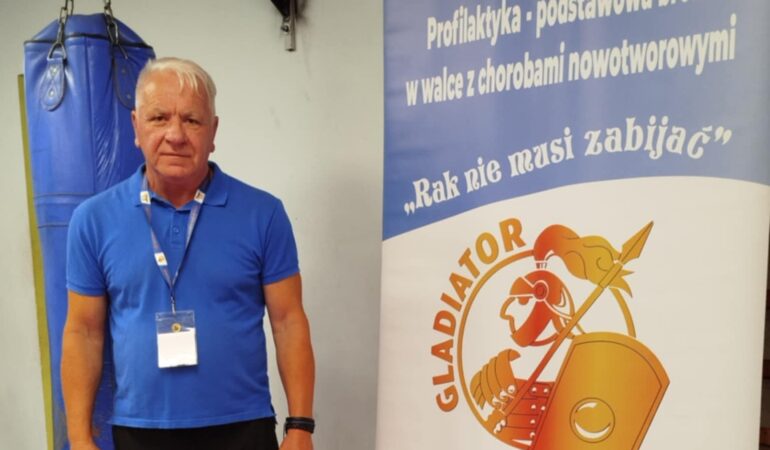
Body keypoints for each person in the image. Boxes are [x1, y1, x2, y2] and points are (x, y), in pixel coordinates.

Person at [61, 57, 315, 450]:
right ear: (136, 127)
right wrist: (79, 438)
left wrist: (300, 426)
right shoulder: (93, 220)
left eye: (192, 120)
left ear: (213, 132)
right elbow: (83, 332)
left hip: (243, 427)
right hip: (140, 431)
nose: (175, 135)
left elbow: (288, 322)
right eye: (159, 118)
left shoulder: (263, 214)